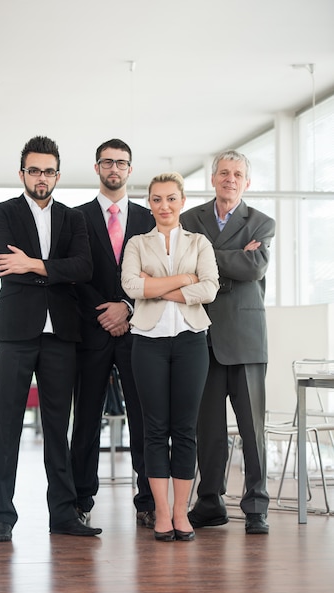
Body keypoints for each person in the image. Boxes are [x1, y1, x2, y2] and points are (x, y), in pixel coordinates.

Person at [0, 135, 102, 540]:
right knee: (8, 425)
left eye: (48, 171)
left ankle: (64, 514)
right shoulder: (0, 213)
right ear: (22, 173)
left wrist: (33, 264)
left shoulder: (74, 219)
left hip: (61, 333)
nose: (41, 177)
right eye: (33, 170)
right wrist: (55, 270)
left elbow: (84, 267)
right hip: (17, 331)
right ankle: (1, 515)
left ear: (57, 175)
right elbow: (5, 265)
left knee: (58, 426)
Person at [180, 150, 276, 535]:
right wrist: (232, 259)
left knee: (252, 429)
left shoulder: (262, 222)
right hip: (202, 334)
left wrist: (208, 261)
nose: (230, 179)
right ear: (213, 178)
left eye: (237, 174)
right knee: (209, 428)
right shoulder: (190, 219)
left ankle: (256, 507)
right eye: (224, 172)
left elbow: (255, 268)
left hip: (247, 339)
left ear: (246, 182)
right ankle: (210, 502)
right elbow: (187, 267)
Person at [121, 172, 219, 541]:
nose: (164, 206)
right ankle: (161, 513)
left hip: (192, 340)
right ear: (149, 203)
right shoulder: (137, 243)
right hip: (148, 341)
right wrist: (183, 280)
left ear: (182, 201)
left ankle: (182, 513)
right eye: (157, 199)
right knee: (155, 429)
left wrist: (157, 286)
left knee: (185, 429)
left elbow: (210, 287)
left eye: (171, 198)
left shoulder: (199, 242)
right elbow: (131, 286)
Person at [71, 138, 156, 527]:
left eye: (121, 163)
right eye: (107, 162)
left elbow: (154, 273)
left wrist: (127, 307)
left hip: (138, 331)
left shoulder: (147, 218)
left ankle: (148, 500)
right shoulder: (76, 217)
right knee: (87, 419)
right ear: (97, 168)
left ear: (130, 169)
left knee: (143, 418)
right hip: (91, 331)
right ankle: (81, 500)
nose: (114, 169)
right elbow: (72, 274)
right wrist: (104, 311)